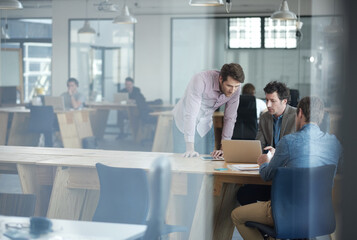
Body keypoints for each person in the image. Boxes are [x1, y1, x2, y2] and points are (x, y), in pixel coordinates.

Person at [231, 96, 342, 240]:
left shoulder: (289, 141)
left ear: (300, 113)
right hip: (319, 212)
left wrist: (264, 162)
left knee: (237, 215)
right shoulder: (334, 144)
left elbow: (266, 175)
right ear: (321, 117)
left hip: (287, 212)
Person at [236, 81, 296, 205]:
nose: (268, 104)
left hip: (288, 176)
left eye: (272, 101)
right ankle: (258, 220)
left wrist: (278, 153)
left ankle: (271, 219)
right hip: (269, 170)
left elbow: (297, 150)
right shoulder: (265, 117)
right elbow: (259, 144)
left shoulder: (297, 116)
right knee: (243, 194)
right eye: (266, 100)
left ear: (284, 101)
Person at [172, 63, 245, 158]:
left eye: (236, 86)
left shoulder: (235, 89)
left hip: (205, 126)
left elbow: (230, 118)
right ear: (221, 78)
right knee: (184, 162)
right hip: (184, 124)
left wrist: (224, 148)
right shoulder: (201, 80)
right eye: (229, 86)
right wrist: (190, 148)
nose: (233, 90)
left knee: (208, 164)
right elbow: (191, 114)